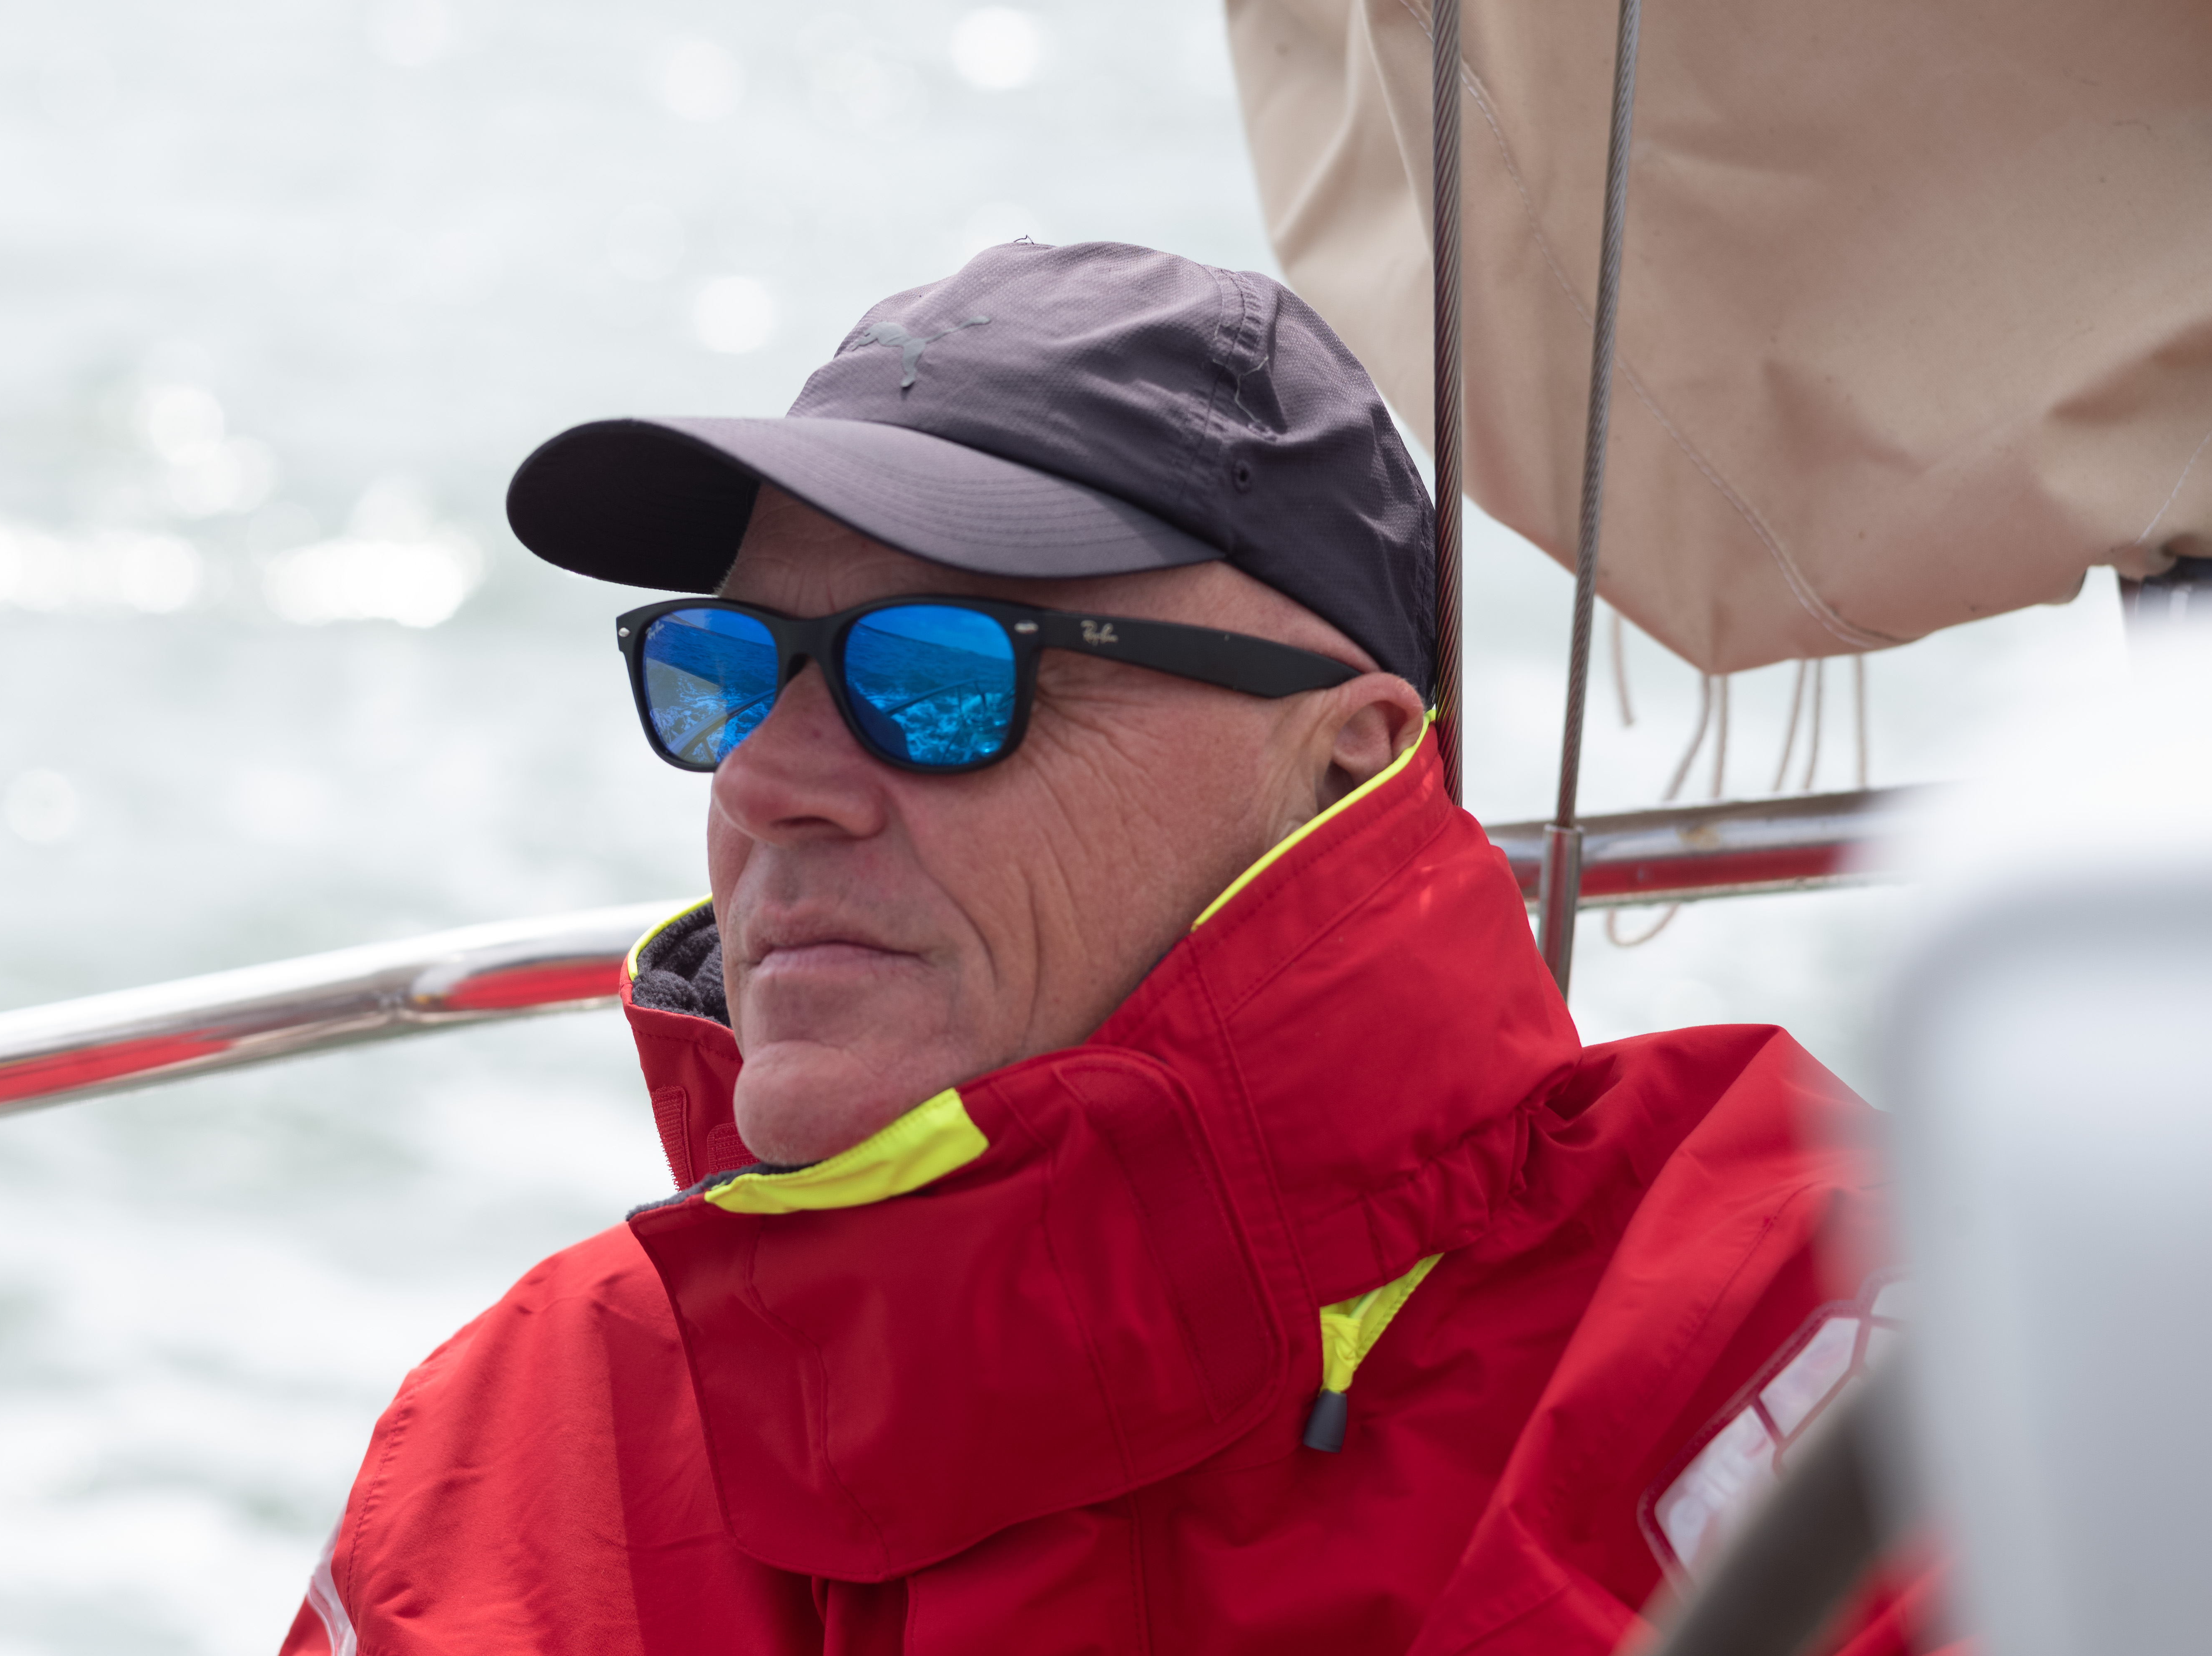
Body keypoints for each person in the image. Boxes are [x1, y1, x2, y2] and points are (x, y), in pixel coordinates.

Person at [279, 242, 1905, 1655]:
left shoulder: (1811, 1342)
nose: (767, 782)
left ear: (1342, 760)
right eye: (728, 667)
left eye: (939, 675)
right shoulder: (521, 1447)